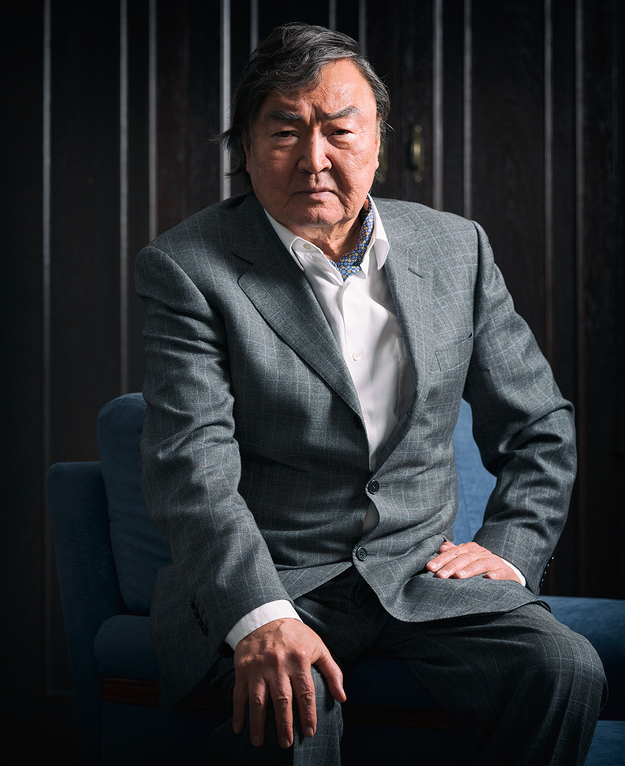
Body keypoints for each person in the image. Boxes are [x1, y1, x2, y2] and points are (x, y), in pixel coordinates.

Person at [135, 22, 606, 765]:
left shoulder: (456, 249)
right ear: (246, 148)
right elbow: (192, 469)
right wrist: (260, 615)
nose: (314, 158)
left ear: (377, 140)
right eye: (284, 131)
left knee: (565, 670)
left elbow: (539, 425)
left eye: (338, 129)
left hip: (420, 576)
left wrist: (508, 548)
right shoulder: (187, 267)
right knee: (294, 705)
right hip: (277, 576)